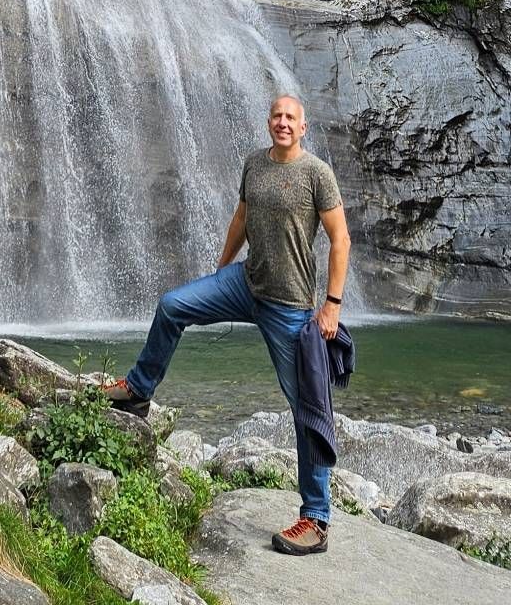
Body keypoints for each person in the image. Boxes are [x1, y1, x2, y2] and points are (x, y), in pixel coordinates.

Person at [104, 93, 351, 557]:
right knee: (173, 305)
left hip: (290, 306)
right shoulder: (254, 164)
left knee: (308, 408)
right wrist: (222, 269)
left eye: (290, 117)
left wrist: (332, 304)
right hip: (244, 283)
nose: (282, 122)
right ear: (269, 122)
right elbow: (241, 216)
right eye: (276, 115)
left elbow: (341, 240)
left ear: (303, 126)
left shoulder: (317, 173)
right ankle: (139, 388)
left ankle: (316, 518)